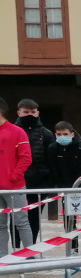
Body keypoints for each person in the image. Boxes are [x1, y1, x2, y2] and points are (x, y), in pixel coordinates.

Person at [48, 121, 81, 253]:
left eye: (65, 134)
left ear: (72, 134)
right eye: (59, 134)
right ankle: (73, 247)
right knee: (69, 220)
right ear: (55, 134)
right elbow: (53, 169)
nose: (62, 136)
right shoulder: (53, 149)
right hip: (66, 190)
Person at [13, 99, 54, 246]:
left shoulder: (46, 134)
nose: (29, 115)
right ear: (19, 112)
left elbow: (51, 158)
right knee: (16, 217)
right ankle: (16, 248)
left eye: (32, 112)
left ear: (38, 113)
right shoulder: (12, 132)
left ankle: (30, 249)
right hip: (16, 182)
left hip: (39, 184)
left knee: (34, 218)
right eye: (26, 112)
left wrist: (49, 181)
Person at [0, 97, 33, 258]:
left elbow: (26, 158)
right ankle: (2, 257)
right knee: (0, 224)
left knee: (21, 221)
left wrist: (13, 176)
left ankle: (30, 255)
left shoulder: (17, 132)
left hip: (14, 186)